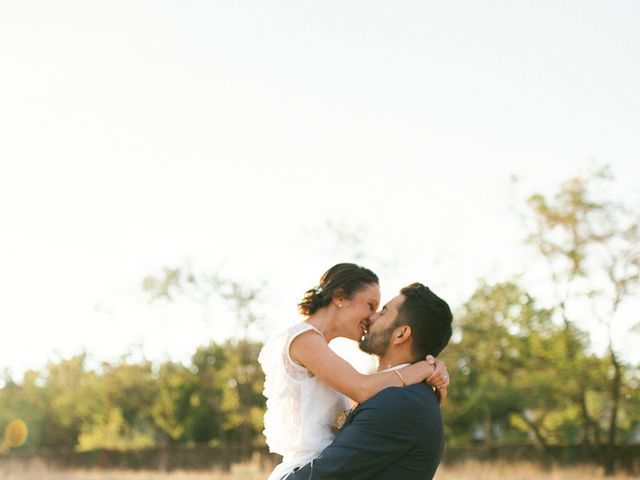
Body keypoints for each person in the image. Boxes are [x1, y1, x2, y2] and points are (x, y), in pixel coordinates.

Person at [258, 264, 450, 480]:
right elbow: (362, 388)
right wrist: (424, 367)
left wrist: (432, 369)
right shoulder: (304, 340)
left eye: (380, 310)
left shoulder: (397, 399)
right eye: (371, 306)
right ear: (339, 298)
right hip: (301, 468)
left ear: (402, 334)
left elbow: (364, 396)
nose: (372, 316)